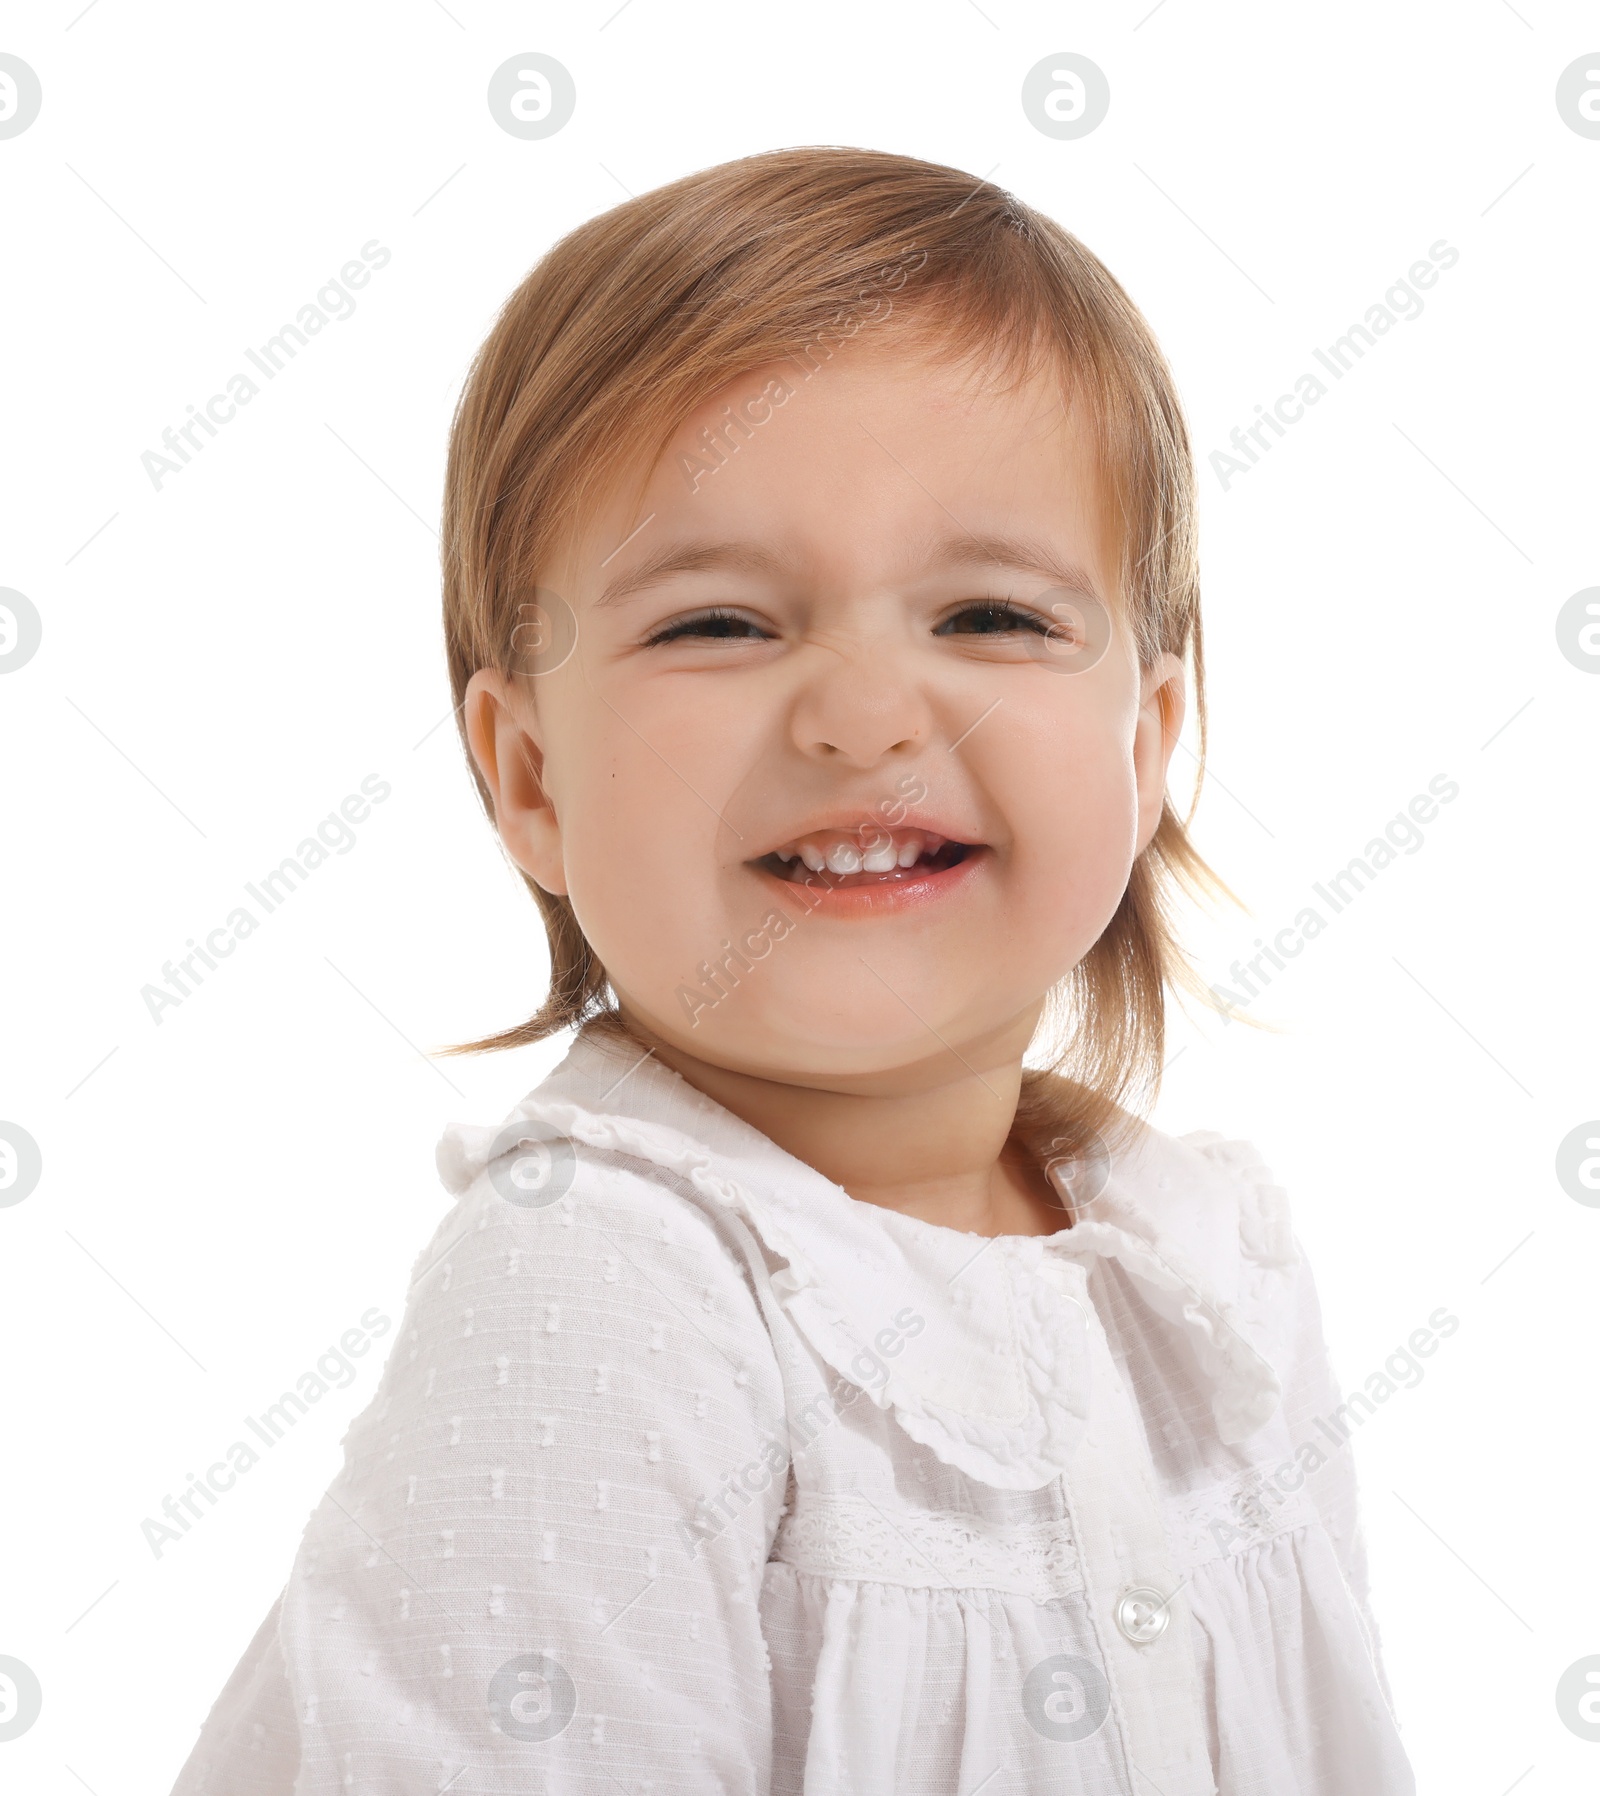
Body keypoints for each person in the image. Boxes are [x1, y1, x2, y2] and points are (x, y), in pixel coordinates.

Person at [170, 146, 1415, 1794]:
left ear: (1150, 738)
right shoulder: (605, 1290)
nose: (867, 714)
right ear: (531, 776)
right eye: (719, 625)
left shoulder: (1206, 1276)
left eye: (988, 618)